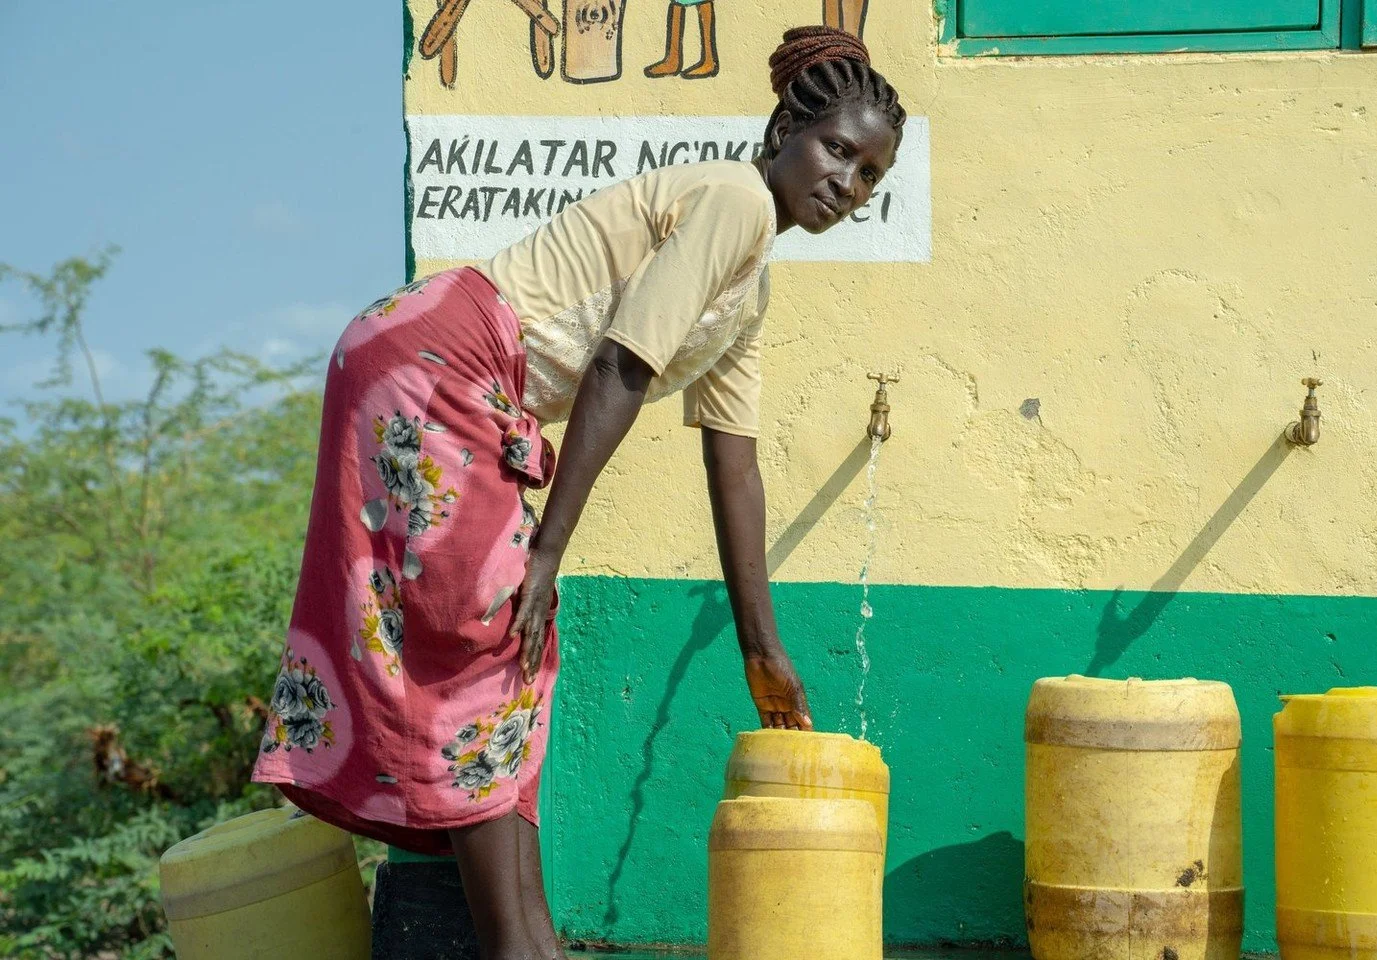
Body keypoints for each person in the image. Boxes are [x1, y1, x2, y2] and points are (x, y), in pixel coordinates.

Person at [252, 24, 907, 960]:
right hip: (440, 360)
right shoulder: (733, 200)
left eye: (870, 174)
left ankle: (532, 942)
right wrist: (545, 551)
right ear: (784, 133)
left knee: (515, 644)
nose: (848, 182)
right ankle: (515, 944)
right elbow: (616, 367)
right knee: (493, 618)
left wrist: (760, 650)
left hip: (445, 370)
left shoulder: (748, 285)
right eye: (837, 150)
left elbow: (735, 464)